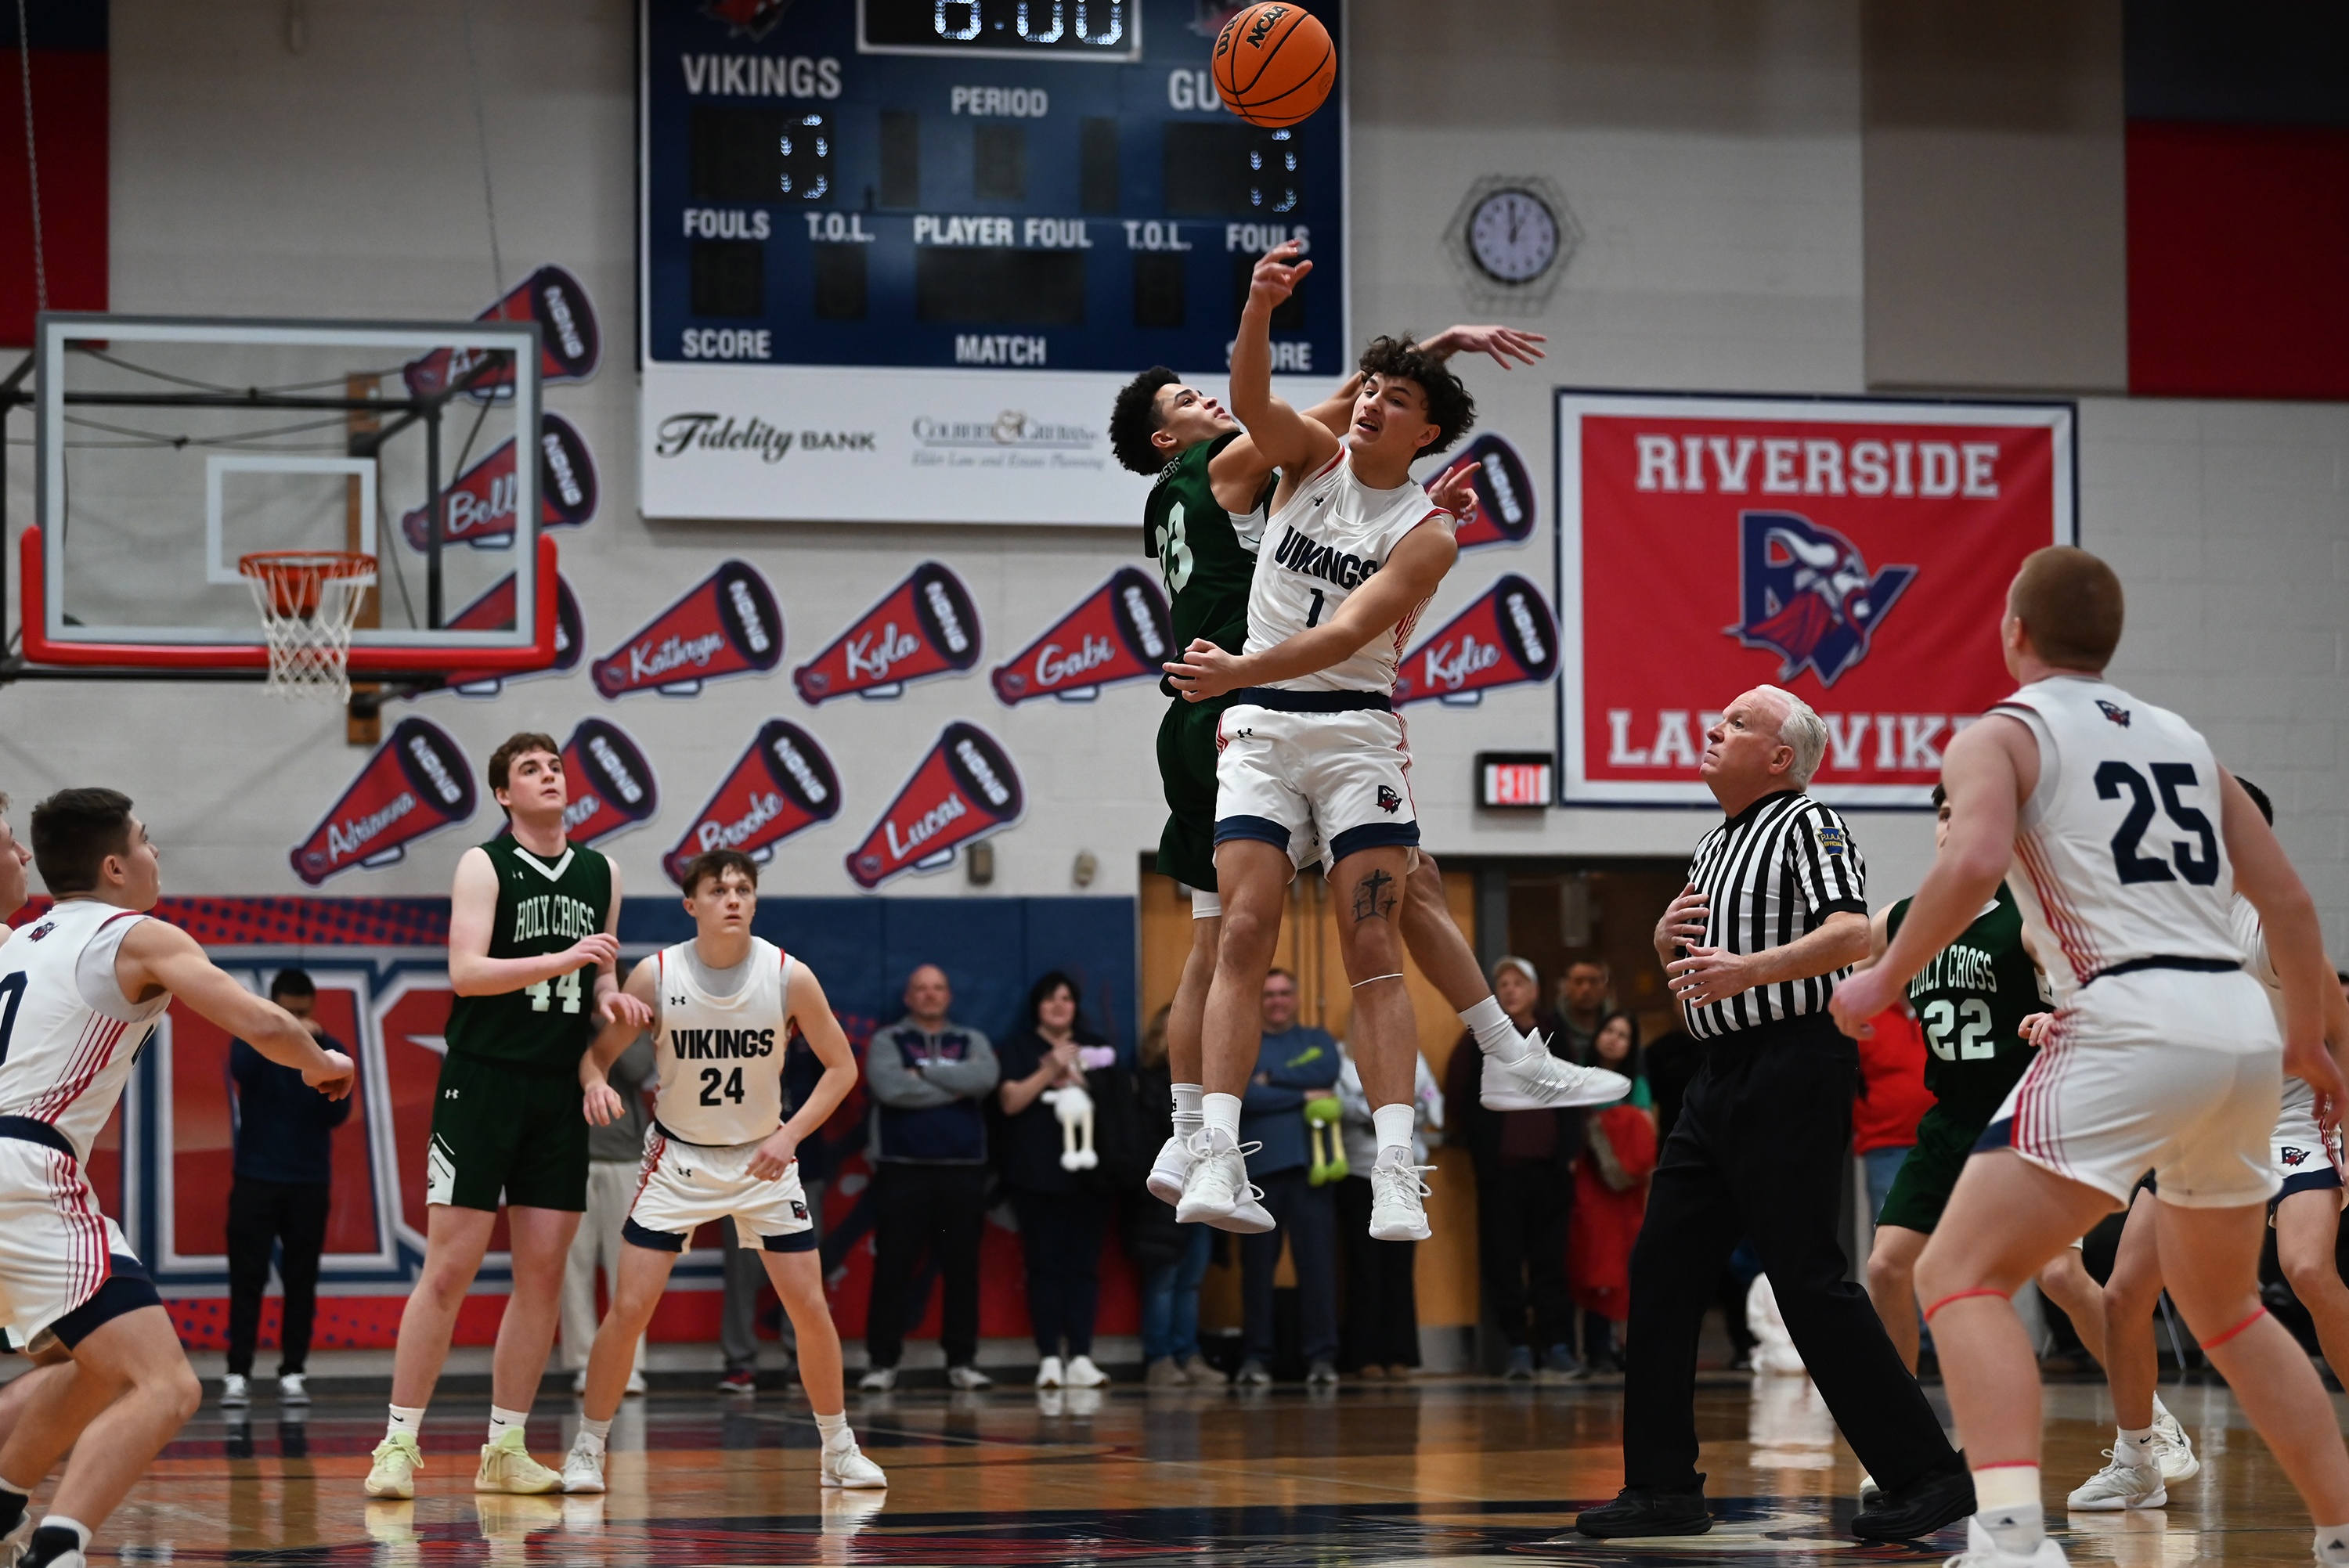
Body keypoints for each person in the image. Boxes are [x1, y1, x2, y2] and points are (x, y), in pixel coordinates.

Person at [1830, 546, 2349, 1568]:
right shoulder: (2186, 740)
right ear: (2108, 640)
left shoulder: (2003, 731)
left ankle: (2014, 1540)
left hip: (2130, 1008)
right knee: (2230, 1309)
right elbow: (2289, 902)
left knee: (1959, 1272)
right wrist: (2306, 1041)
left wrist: (1884, 976)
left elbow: (1974, 859)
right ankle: (2340, 1527)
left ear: (2012, 631)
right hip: (2238, 1031)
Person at [1118, 254, 1614, 1243]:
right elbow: (1261, 395)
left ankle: (1396, 1161)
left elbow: (1351, 638)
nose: (1371, 403)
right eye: (1370, 390)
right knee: (1239, 932)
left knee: (1376, 930)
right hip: (1246, 710)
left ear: (1425, 431)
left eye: (1396, 397)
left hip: (1334, 722)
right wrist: (1258, 303)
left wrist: (1243, 673)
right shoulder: (1288, 456)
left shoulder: (1426, 531)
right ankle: (1209, 1142)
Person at [1576, 687, 1968, 1542]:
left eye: (1737, 724)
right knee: (1665, 1265)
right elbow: (1702, 984)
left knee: (1806, 1278)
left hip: (1794, 1062)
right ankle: (1662, 1484)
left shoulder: (1807, 820)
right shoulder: (1715, 840)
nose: (1712, 730)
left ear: (1780, 756)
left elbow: (1853, 932)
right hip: (1718, 1077)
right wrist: (1661, 951)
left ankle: (1927, 1471)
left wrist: (1746, 972)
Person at [0, 790, 354, 1568]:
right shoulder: (136, 933)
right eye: (147, 839)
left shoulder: (14, 945)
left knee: (94, 1362)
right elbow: (260, 1022)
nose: (159, 854)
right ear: (115, 865)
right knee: (168, 1385)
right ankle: (57, 1547)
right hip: (26, 1170)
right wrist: (324, 1061)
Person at [364, 734, 646, 1501]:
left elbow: (599, 974)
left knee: (543, 1276)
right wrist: (562, 960)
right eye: (530, 768)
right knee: (449, 1267)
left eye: (555, 765)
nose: (549, 775)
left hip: (556, 1089)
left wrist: (609, 1001)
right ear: (504, 794)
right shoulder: (484, 864)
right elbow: (466, 971)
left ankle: (505, 1447)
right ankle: (397, 1442)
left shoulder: (603, 871)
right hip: (483, 1081)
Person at [2062, 776, 2345, 1512]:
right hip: (2199, 1130)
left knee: (2309, 1269)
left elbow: (2340, 1026)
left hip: (2286, 1120)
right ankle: (2138, 1463)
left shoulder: (2268, 923)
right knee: (2124, 1292)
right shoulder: (2162, 929)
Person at [560, 849, 883, 1493]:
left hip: (764, 1155)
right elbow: (594, 1058)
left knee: (810, 1307)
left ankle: (839, 1447)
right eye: (718, 888)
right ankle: (588, 1449)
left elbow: (842, 1068)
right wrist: (595, 1085)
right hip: (678, 1157)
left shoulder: (790, 976)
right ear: (692, 904)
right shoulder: (655, 976)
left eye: (743, 888)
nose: (732, 897)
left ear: (755, 901)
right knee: (628, 1309)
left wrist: (789, 1135)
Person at [859, 964, 999, 1392]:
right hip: (902, 1172)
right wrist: (956, 1085)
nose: (929, 995)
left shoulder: (972, 1040)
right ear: (908, 997)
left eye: (938, 987)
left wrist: (923, 1073)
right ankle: (882, 1363)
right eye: (920, 988)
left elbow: (985, 1078)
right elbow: (890, 1088)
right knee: (893, 1270)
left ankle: (962, 1361)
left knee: (962, 1272)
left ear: (949, 995)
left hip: (962, 1174)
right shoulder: (889, 1041)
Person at [1445, 956, 1585, 1380]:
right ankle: (1517, 1348)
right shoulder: (1479, 1039)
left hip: (1550, 1170)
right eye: (1502, 983)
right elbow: (1458, 1096)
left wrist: (1570, 1151)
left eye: (1517, 982)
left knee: (1551, 1261)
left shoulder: (1555, 1037)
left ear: (1535, 991)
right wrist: (1479, 1149)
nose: (1509, 990)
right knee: (1503, 1261)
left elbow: (1574, 1093)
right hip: (1500, 1172)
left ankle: (1557, 1346)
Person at [222, 968, 354, 1408]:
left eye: (302, 1013)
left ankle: (293, 1370)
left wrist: (314, 1052)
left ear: (313, 1009)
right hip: (256, 1178)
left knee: (301, 1281)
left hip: (308, 1181)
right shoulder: (255, 1041)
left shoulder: (330, 1050)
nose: (297, 1019)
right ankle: (238, 1372)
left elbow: (338, 1113)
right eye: (288, 1012)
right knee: (247, 1278)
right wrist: (280, 1035)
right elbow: (239, 1069)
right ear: (274, 1006)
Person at [996, 971, 1113, 1389]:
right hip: (1035, 1175)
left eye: (1066, 998)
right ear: (1037, 1007)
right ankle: (1049, 1357)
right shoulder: (1019, 1047)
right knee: (1043, 1266)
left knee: (1083, 1268)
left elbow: (1114, 1102)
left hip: (1089, 1177)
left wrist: (1079, 1075)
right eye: (1050, 999)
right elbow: (1010, 1101)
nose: (1059, 1005)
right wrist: (1050, 1069)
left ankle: (1081, 1354)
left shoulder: (1097, 1047)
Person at [1233, 970, 1341, 1385]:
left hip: (1312, 1173)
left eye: (1283, 993)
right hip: (1257, 1177)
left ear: (1296, 997)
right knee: (1257, 1272)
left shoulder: (1317, 1040)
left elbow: (1328, 1073)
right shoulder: (1246, 1041)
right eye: (1268, 994)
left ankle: (1321, 1358)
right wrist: (1300, 1094)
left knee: (1317, 1268)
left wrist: (1272, 1079)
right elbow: (1244, 1094)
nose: (1276, 1001)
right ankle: (1256, 1358)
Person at [1335, 1029, 1441, 1378]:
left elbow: (1428, 1099)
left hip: (1407, 1175)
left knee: (1399, 1267)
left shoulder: (1414, 1056)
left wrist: (1381, 1110)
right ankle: (1364, 1355)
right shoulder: (1341, 1058)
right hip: (1359, 1172)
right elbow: (1341, 1106)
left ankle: (1400, 1354)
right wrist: (1388, 1110)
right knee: (1364, 1267)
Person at [1126, 1008, 1218, 1388]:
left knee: (1192, 1279)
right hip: (1161, 1198)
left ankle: (1188, 1353)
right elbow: (1141, 1145)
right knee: (1164, 1279)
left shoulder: (1212, 1091)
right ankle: (1160, 1357)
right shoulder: (1145, 1085)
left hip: (1204, 1191)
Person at [559, 1027, 653, 1397]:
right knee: (573, 1266)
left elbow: (636, 1068)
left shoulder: (632, 1018)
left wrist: (607, 1025)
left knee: (629, 1267)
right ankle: (585, 1362)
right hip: (569, 1153)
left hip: (626, 1155)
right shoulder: (565, 1013)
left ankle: (627, 1363)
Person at [1569, 1011, 1656, 1372]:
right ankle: (1593, 1347)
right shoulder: (1576, 1078)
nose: (1614, 1039)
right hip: (1587, 1184)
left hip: (1625, 1191)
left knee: (1621, 1264)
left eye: (1623, 1034)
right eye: (1609, 1030)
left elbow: (1645, 1137)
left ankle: (1618, 1346)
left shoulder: (1635, 1085)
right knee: (1589, 1259)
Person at [1555, 959, 1612, 1062]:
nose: (1586, 989)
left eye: (1593, 981)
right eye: (1579, 981)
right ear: (1567, 986)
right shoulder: (1549, 1027)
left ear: (1605, 987)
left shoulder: (1617, 1027)